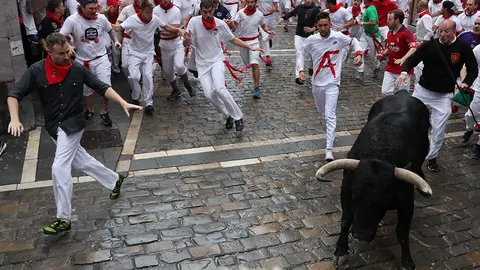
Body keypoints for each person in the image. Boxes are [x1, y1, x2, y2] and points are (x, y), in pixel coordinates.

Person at [6, 33, 142, 235]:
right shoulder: (36, 71)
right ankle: (114, 180)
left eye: (67, 50)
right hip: (53, 126)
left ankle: (64, 218)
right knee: (81, 161)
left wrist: (122, 102)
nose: (66, 56)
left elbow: (101, 86)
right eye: (61, 53)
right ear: (49, 51)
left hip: (72, 125)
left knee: (59, 167)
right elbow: (14, 95)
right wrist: (14, 118)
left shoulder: (77, 69)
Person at [396, 19, 478, 171]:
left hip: (443, 95)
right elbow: (413, 60)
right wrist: (404, 72)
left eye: (446, 31)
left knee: (439, 128)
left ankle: (432, 157)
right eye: (440, 31)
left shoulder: (463, 48)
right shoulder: (430, 45)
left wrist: (466, 82)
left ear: (454, 31)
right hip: (423, 91)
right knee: (410, 121)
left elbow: (473, 69)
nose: (442, 34)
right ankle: (406, 151)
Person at [183, 0, 262, 133]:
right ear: (201, 11)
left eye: (210, 11)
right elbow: (186, 44)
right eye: (205, 12)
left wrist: (249, 46)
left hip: (216, 60)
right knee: (208, 94)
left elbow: (233, 39)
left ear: (214, 9)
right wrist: (186, 39)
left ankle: (238, 117)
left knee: (220, 88)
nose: (208, 14)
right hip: (202, 64)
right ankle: (227, 115)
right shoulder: (194, 22)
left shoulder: (219, 24)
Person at [300, 12, 362, 162]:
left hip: (333, 82)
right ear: (316, 26)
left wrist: (359, 54)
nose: (323, 28)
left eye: (325, 25)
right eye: (320, 26)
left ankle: (329, 150)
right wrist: (301, 70)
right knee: (322, 111)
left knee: (330, 114)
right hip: (317, 83)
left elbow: (353, 42)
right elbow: (301, 53)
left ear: (330, 24)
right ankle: (327, 128)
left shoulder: (338, 37)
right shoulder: (311, 40)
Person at [112, 0, 186, 114]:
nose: (150, 15)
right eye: (147, 12)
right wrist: (103, 22)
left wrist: (179, 30)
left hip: (148, 53)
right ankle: (136, 94)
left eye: (151, 12)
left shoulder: (154, 19)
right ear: (141, 11)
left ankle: (149, 103)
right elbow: (117, 28)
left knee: (147, 76)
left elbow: (166, 27)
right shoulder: (133, 19)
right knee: (134, 77)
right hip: (135, 53)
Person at [60, 0, 122, 127]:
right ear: (82, 7)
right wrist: (68, 46)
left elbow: (110, 30)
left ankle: (105, 112)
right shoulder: (72, 20)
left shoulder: (101, 18)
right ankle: (89, 110)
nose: (95, 11)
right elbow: (61, 36)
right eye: (91, 9)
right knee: (86, 89)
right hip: (82, 60)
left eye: (96, 8)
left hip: (101, 59)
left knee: (106, 87)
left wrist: (115, 41)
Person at [231, 0, 275, 98]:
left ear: (255, 3)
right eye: (249, 2)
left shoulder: (259, 14)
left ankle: (256, 87)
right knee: (248, 64)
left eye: (252, 2)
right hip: (242, 43)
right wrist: (231, 24)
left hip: (254, 42)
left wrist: (268, 31)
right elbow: (234, 27)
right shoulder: (240, 13)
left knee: (255, 64)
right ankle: (254, 79)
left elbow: (263, 26)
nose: (250, 4)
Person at [153, 0, 196, 101]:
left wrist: (162, 30)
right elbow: (173, 30)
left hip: (177, 44)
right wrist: (172, 30)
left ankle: (187, 84)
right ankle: (176, 90)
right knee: (167, 72)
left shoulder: (176, 10)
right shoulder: (155, 10)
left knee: (179, 65)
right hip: (164, 45)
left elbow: (174, 32)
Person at [376, 9, 417, 96]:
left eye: (389, 19)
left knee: (402, 95)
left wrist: (403, 58)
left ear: (397, 20)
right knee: (385, 92)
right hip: (390, 68)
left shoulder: (406, 33)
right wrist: (383, 54)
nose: (387, 21)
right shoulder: (389, 33)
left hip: (404, 70)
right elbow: (389, 48)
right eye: (387, 19)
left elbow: (413, 48)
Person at [280, 0, 320, 84]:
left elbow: (320, 22)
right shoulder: (300, 7)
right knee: (299, 53)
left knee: (312, 55)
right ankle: (299, 76)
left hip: (310, 37)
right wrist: (283, 18)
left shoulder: (316, 10)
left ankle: (311, 66)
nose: (308, 1)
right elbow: (291, 13)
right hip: (299, 35)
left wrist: (313, 29)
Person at [460, 43, 480, 158]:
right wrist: (464, 81)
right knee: (469, 116)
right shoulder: (478, 49)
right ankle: (469, 130)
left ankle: (478, 146)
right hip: (478, 89)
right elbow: (466, 65)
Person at [356, 0, 381, 79]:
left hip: (373, 35)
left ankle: (377, 67)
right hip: (365, 33)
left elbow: (373, 22)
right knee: (360, 50)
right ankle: (360, 71)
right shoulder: (368, 7)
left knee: (373, 55)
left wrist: (362, 23)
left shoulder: (370, 9)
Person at [413, 0, 433, 85]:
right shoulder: (423, 16)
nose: (416, 8)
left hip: (423, 44)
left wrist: (422, 41)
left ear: (420, 7)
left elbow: (429, 32)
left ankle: (419, 83)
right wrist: (415, 35)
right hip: (420, 41)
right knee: (418, 64)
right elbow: (422, 30)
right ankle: (417, 82)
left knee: (419, 65)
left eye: (417, 6)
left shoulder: (426, 17)